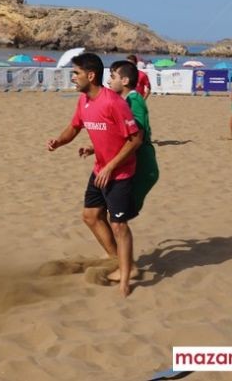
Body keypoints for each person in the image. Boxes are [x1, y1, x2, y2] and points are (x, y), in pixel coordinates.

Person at [47, 53, 143, 297]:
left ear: (90, 76)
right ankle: (116, 259)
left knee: (119, 225)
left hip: (119, 172)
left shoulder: (114, 103)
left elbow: (136, 139)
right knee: (90, 216)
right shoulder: (83, 101)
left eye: (76, 73)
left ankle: (127, 271)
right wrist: (59, 142)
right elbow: (75, 127)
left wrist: (111, 166)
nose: (73, 77)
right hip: (100, 169)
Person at [106, 60, 159, 216]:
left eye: (112, 77)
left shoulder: (134, 100)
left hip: (143, 168)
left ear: (125, 81)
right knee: (114, 215)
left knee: (119, 218)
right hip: (133, 166)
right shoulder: (125, 100)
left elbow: (137, 139)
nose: (109, 81)